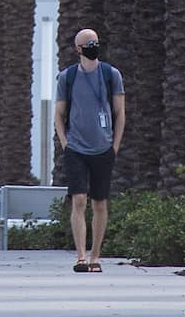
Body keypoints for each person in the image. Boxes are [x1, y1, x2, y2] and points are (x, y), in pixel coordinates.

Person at [54, 28, 125, 274]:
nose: (93, 46)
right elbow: (59, 114)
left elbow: (119, 113)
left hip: (103, 148)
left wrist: (114, 145)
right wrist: (65, 143)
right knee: (79, 199)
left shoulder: (111, 74)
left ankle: (96, 256)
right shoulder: (68, 77)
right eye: (88, 43)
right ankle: (81, 256)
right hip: (76, 148)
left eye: (95, 42)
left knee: (100, 203)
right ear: (78, 49)